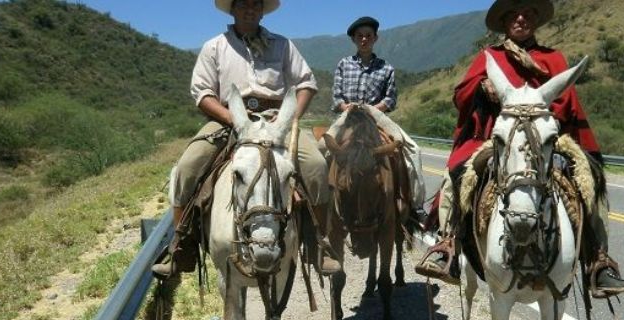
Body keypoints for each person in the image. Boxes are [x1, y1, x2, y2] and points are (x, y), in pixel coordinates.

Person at [415, 0, 624, 298]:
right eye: (514, 15)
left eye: (528, 14)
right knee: (456, 176)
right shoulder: (489, 57)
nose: (521, 19)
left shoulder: (552, 58)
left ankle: (598, 261)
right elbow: (461, 95)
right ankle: (448, 243)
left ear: (535, 21)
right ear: (505, 22)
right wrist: (482, 87)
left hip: (546, 139)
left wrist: (541, 116)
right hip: (495, 138)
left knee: (590, 182)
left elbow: (566, 102)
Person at [153, 0, 341, 277]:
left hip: (277, 120)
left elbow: (306, 84)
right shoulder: (215, 46)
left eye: (256, 3)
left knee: (316, 166)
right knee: (187, 167)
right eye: (243, 3)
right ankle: (182, 247)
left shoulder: (283, 45)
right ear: (232, 9)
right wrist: (233, 119)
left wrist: (290, 118)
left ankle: (318, 245)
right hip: (229, 119)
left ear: (263, 10)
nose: (250, 8)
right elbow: (202, 94)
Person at [329, 16, 426, 223]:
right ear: (354, 39)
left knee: (412, 150)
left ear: (375, 39)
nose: (364, 39)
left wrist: (373, 109)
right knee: (322, 151)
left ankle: (415, 204)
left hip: (376, 116)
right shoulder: (343, 65)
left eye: (368, 36)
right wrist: (348, 107)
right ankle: (323, 204)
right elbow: (336, 96)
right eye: (360, 36)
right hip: (348, 116)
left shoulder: (386, 68)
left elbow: (390, 98)